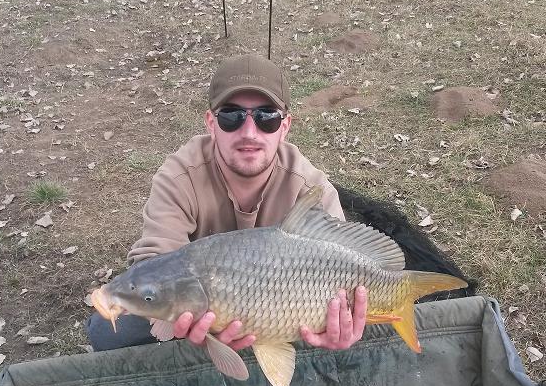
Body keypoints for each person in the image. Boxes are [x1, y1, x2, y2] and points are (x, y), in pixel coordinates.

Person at [86, 54, 368, 353]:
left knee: (349, 332)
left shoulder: (311, 189)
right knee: (109, 333)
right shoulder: (179, 176)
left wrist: (341, 328)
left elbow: (346, 265)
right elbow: (154, 263)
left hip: (291, 303)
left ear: (285, 126)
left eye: (267, 118)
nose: (249, 133)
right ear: (211, 123)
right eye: (231, 117)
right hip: (204, 304)